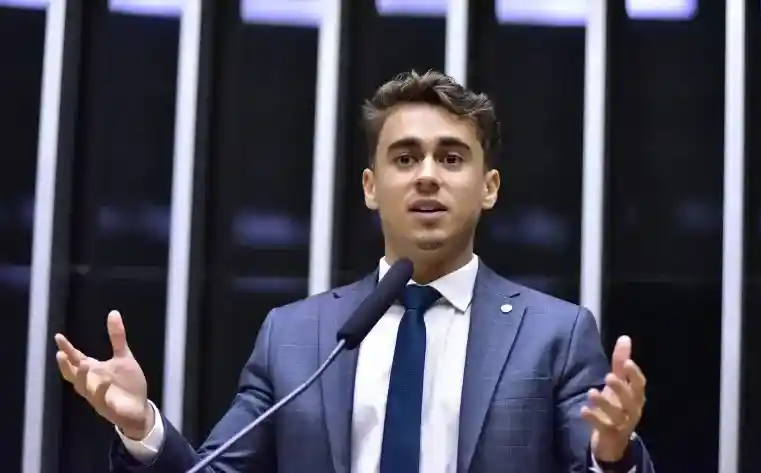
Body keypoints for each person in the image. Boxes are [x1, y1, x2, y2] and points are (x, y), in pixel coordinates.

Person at [55, 70, 655, 473]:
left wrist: (614, 455)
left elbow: (598, 460)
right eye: (405, 157)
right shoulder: (296, 338)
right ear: (371, 187)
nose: (427, 175)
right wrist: (144, 430)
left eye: (451, 158)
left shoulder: (554, 335)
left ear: (488, 187)